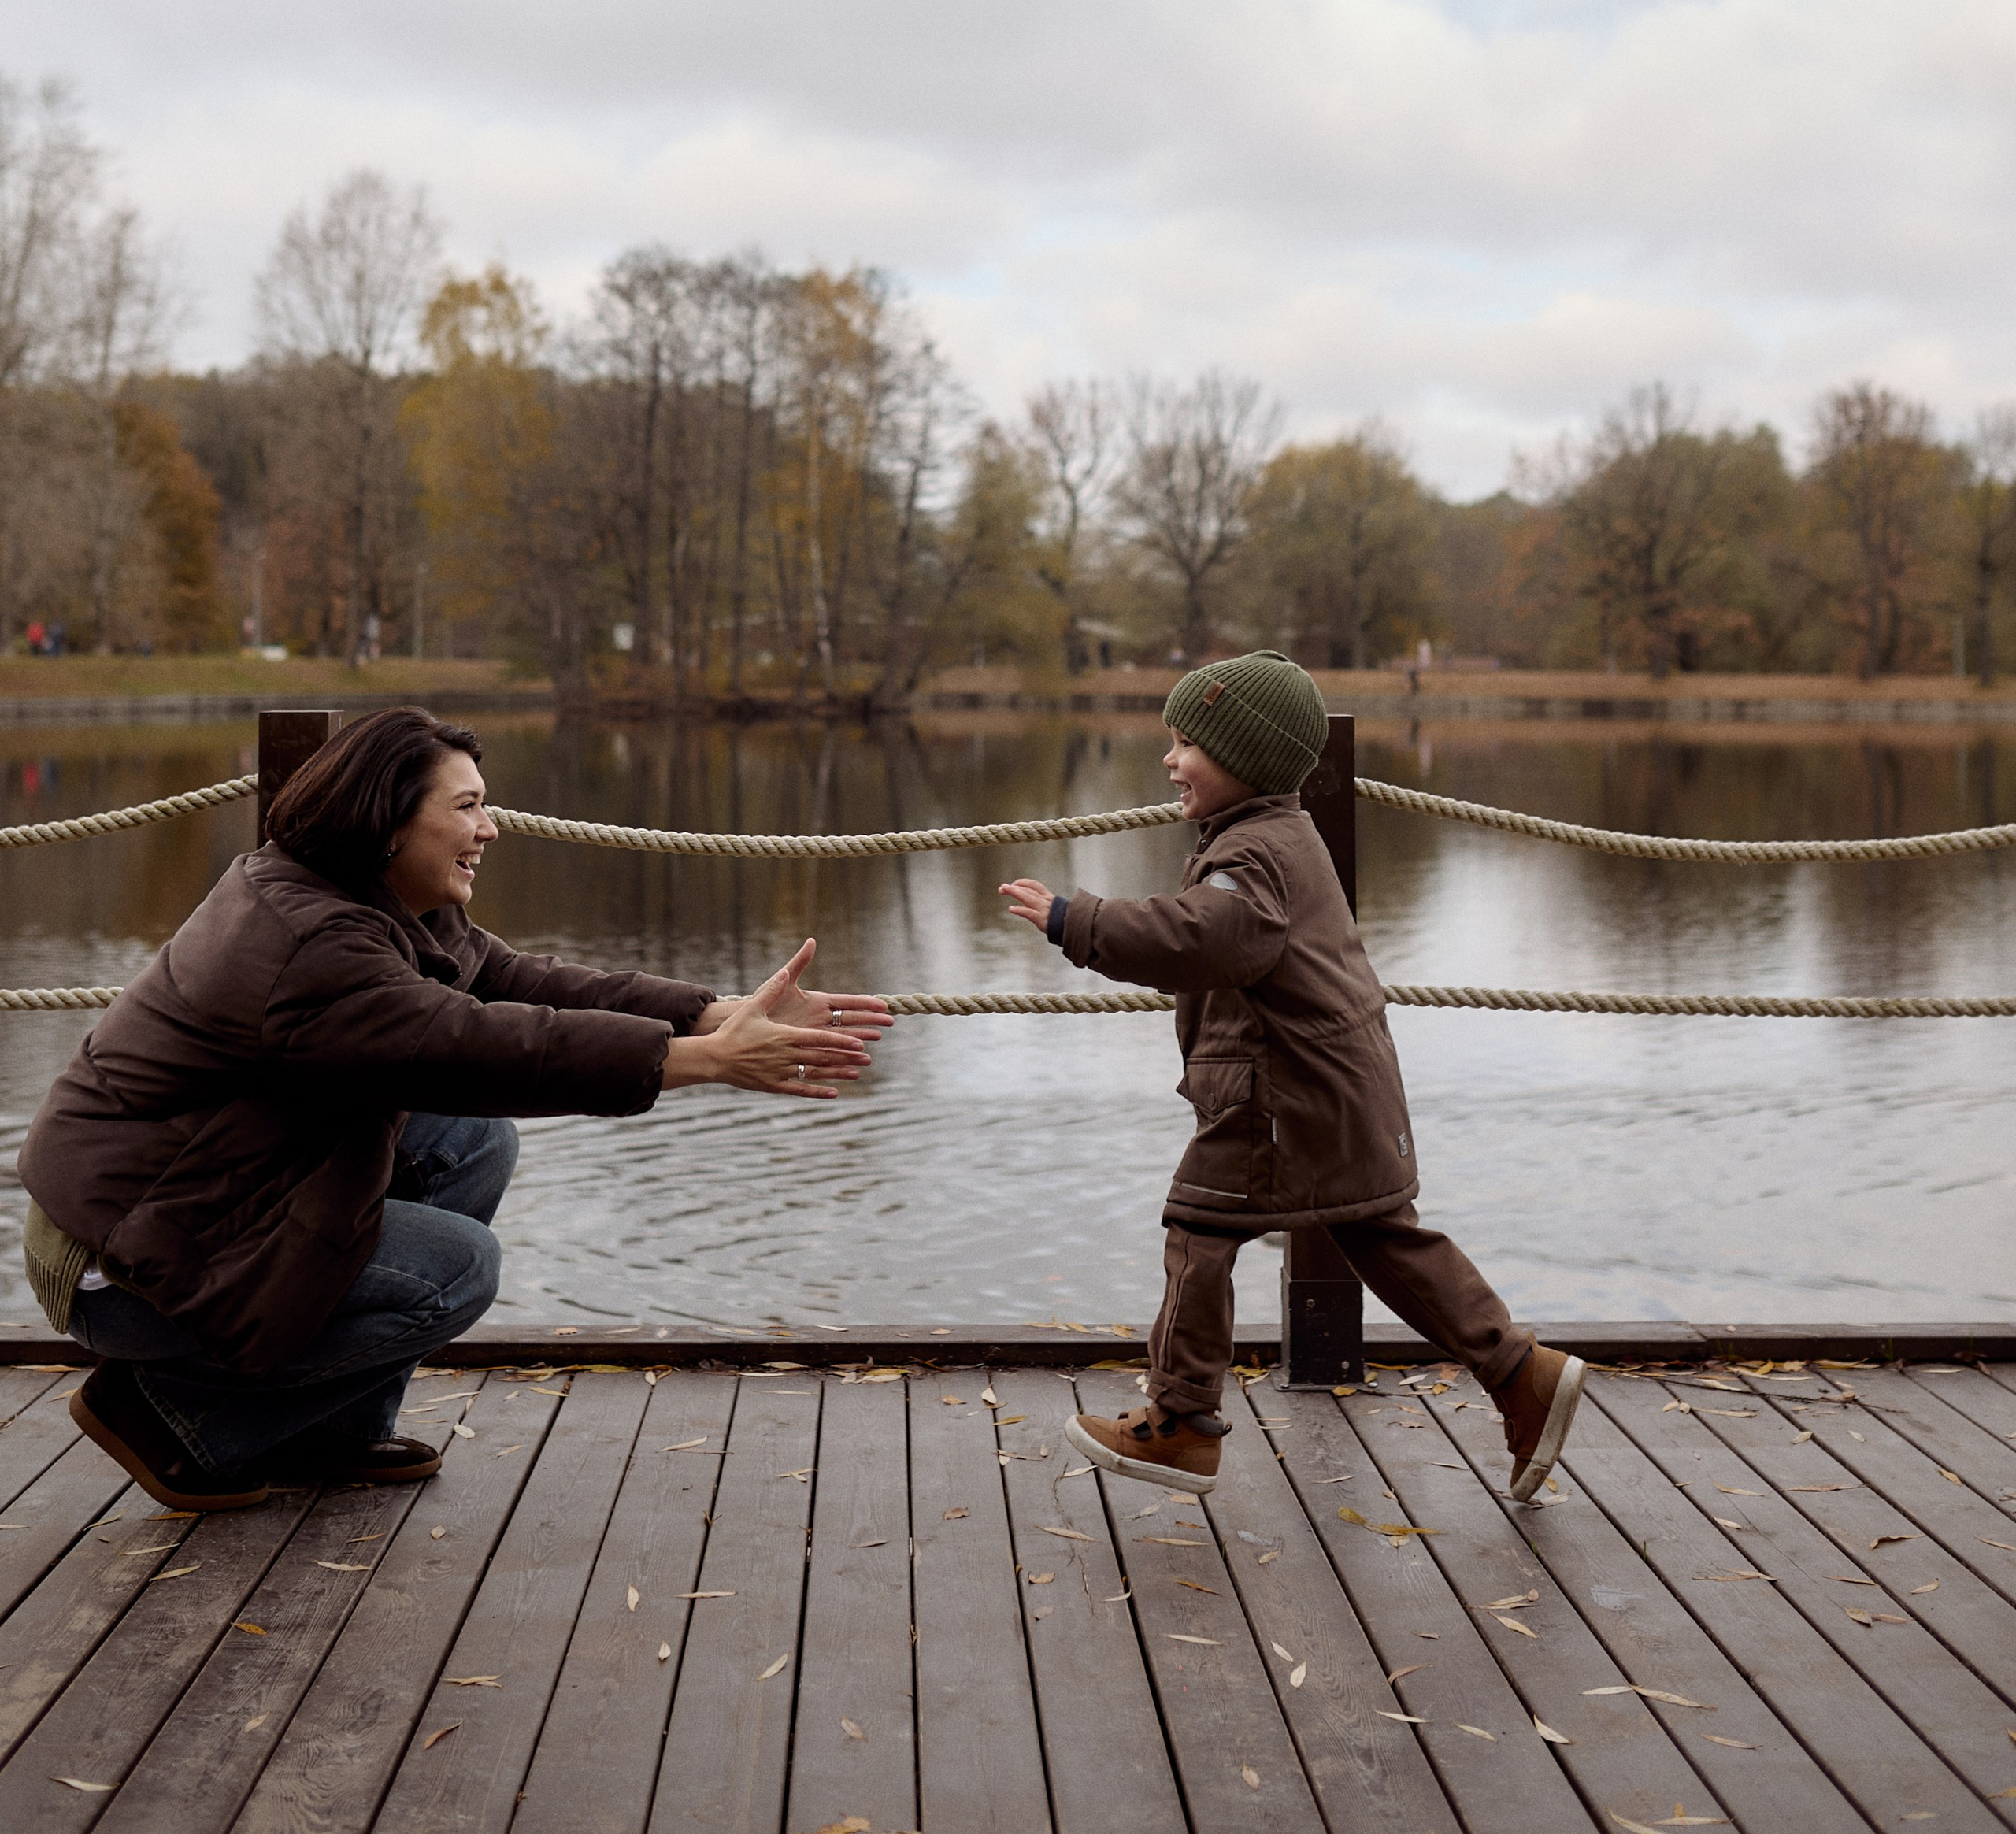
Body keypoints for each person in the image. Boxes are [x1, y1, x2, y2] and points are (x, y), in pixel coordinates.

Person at [20, 706, 889, 1514]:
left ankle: (330, 1428)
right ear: (389, 820)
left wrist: (716, 1013)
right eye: (468, 805)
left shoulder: (367, 895)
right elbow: (485, 1045)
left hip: (199, 1199)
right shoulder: (311, 942)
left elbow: (519, 983)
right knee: (458, 1268)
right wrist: (703, 1062)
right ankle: (179, 1419)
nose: (490, 826)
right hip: (124, 1256)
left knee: (467, 1142)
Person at [997, 649, 1584, 1501]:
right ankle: (1517, 1370)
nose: (1169, 759)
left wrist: (1075, 917)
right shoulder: (1270, 833)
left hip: (1280, 1094)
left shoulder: (1253, 857)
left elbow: (1203, 935)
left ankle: (1180, 1420)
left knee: (1198, 1226)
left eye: (1187, 741)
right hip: (1333, 1083)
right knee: (1379, 1234)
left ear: (1247, 756)